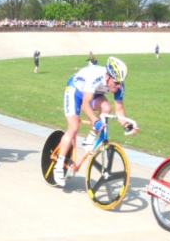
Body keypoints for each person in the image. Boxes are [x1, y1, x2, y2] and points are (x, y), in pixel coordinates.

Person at [52, 56, 139, 187]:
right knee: (74, 128)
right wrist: (95, 120)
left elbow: (119, 110)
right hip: (75, 90)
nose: (119, 85)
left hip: (92, 93)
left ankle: (90, 138)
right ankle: (58, 166)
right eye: (116, 82)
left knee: (107, 108)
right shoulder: (95, 78)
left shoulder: (119, 85)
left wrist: (127, 125)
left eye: (121, 82)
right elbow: (85, 105)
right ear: (108, 76)